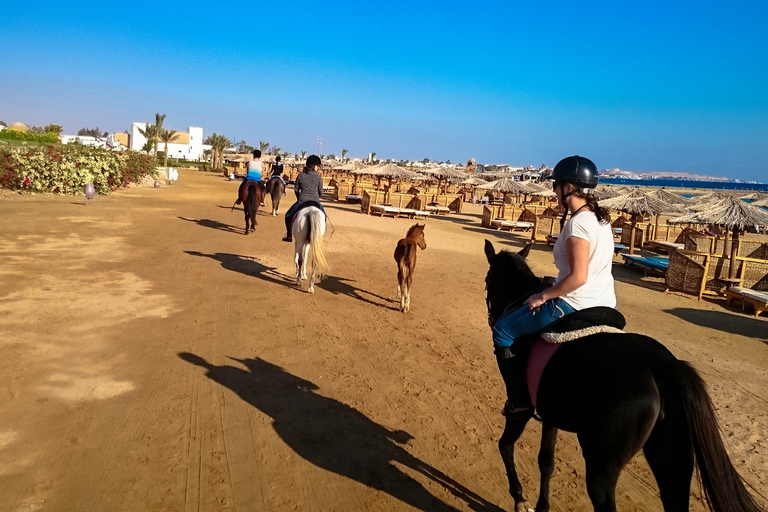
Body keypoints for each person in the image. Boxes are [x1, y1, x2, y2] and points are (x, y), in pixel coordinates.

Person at [492, 155, 616, 415]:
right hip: (605, 301)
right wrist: (555, 280)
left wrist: (544, 295)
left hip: (575, 302)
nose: (553, 191)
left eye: (555, 186)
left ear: (568, 188)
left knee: (503, 330)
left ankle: (519, 400)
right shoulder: (600, 220)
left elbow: (579, 277)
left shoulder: (578, 224)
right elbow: (587, 270)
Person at [282, 155, 326, 242]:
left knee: (288, 215)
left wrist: (299, 198)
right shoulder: (318, 177)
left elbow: (296, 190)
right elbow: (321, 192)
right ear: (314, 166)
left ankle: (289, 235)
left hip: (302, 201)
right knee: (324, 217)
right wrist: (316, 197)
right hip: (315, 202)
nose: (318, 168)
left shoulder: (300, 176)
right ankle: (321, 236)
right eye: (318, 166)